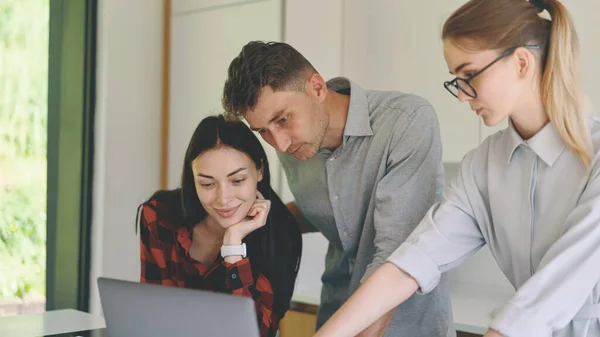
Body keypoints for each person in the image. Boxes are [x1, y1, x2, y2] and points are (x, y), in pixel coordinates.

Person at [312, 0, 600, 336]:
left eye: (469, 75)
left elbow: (554, 291)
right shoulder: (482, 167)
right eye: (456, 80)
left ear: (522, 62)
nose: (463, 95)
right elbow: (412, 262)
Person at [222, 42, 454, 337]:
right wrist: (253, 221)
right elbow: (330, 211)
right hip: (335, 313)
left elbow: (396, 257)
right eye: (264, 131)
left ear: (317, 87)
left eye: (282, 119)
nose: (279, 144)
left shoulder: (406, 121)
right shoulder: (293, 145)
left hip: (408, 326)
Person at [137, 115, 302, 337]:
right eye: (207, 183)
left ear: (259, 171)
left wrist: (233, 245)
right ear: (192, 179)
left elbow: (255, 333)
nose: (223, 199)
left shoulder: (281, 235)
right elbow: (154, 314)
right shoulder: (159, 216)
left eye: (237, 180)